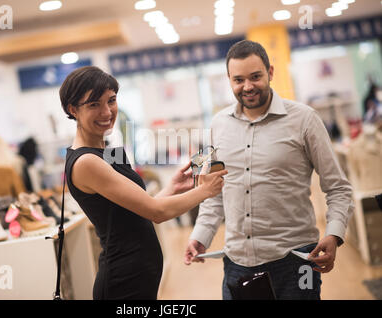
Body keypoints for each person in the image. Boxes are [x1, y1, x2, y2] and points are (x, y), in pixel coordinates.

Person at [184, 40, 354, 300]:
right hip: (236, 264)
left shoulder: (305, 119)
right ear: (229, 80)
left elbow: (338, 187)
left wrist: (334, 234)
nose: (248, 86)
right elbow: (212, 193)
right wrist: (200, 236)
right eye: (238, 80)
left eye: (255, 77)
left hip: (296, 262)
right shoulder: (216, 125)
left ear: (270, 72)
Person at [59, 66, 227, 300]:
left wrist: (172, 188)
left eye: (111, 100)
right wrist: (206, 190)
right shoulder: (86, 161)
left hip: (140, 275)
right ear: (72, 109)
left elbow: (135, 213)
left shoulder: (106, 150)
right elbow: (156, 212)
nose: (107, 112)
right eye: (93, 104)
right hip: (123, 282)